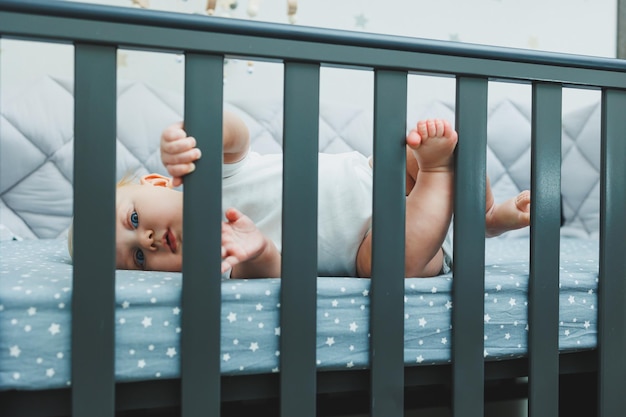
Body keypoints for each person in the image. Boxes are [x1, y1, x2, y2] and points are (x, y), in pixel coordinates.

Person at [114, 111, 531, 278]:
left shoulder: (208, 174)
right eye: (138, 258)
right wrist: (258, 251)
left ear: (154, 183)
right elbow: (271, 272)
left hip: (377, 177)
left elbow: (235, 135)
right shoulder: (218, 259)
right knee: (386, 266)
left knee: (425, 147)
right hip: (370, 249)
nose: (147, 241)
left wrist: (195, 131)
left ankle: (486, 216)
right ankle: (440, 174)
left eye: (133, 221)